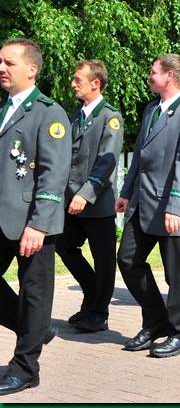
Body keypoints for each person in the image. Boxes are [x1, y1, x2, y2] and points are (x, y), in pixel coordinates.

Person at [115, 54, 180, 358]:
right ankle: (156, 321)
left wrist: (176, 206)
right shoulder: (152, 110)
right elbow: (140, 157)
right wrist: (127, 192)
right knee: (128, 259)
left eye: (154, 72)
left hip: (171, 207)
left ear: (170, 76)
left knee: (176, 273)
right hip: (143, 202)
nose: (149, 76)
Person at [0, 39, 69, 394]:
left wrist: (38, 224)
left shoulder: (48, 113)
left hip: (32, 220)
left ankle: (25, 368)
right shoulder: (4, 109)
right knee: (32, 309)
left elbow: (53, 174)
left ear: (31, 69)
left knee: (34, 294)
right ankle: (37, 329)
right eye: (0, 61)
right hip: (2, 216)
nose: (1, 68)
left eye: (9, 62)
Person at [57, 60, 124, 333]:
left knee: (104, 259)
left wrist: (86, 194)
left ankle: (99, 313)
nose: (73, 84)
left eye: (78, 80)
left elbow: (106, 163)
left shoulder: (110, 117)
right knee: (63, 245)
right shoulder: (77, 115)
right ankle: (91, 293)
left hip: (96, 202)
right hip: (70, 200)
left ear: (95, 83)